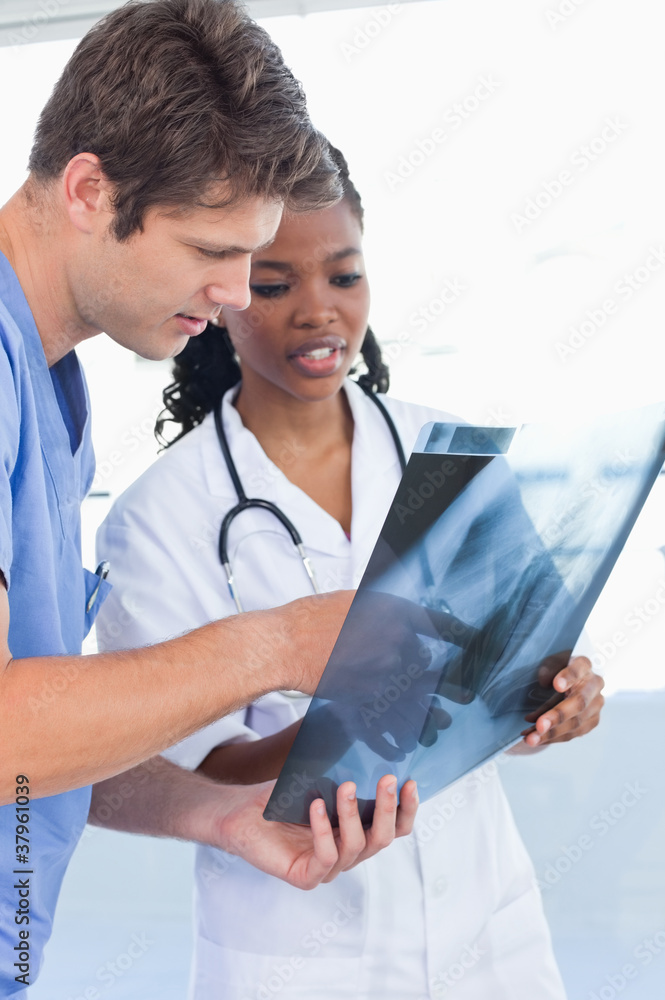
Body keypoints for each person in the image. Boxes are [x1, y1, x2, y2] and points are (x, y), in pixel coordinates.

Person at [95, 146, 604, 999]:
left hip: (489, 933)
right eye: (274, 283)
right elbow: (181, 767)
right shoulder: (160, 516)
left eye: (343, 277)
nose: (317, 312)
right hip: (297, 943)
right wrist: (345, 726)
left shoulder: (453, 457)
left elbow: (516, 673)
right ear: (221, 296)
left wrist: (556, 702)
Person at [0, 4, 417, 995]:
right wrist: (274, 644)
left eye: (252, 254)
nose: (237, 292)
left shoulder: (49, 384)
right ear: (91, 189)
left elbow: (48, 728)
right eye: (209, 250)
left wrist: (212, 812)